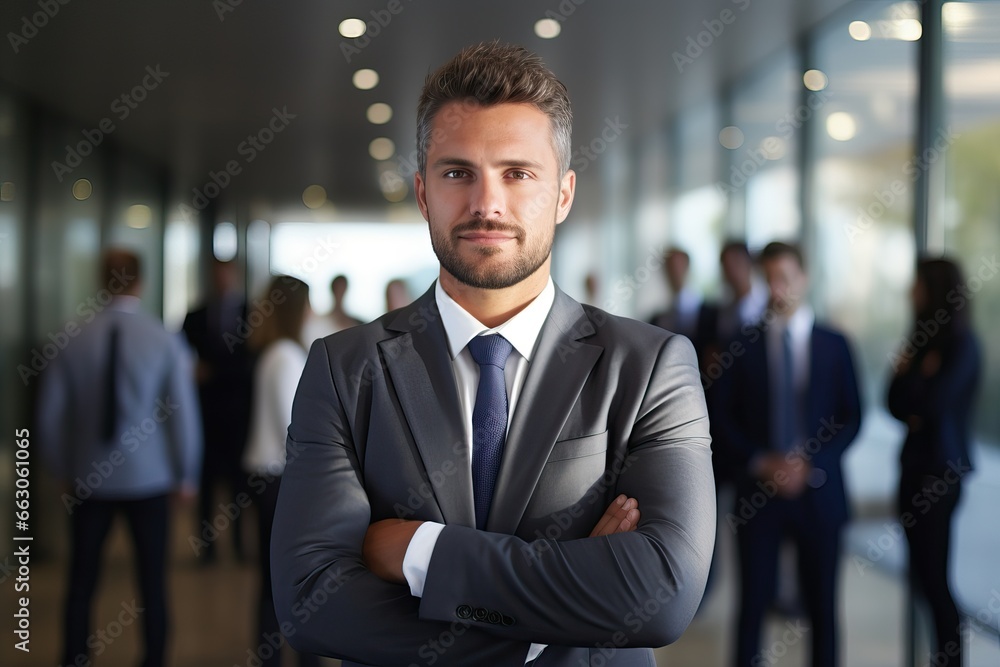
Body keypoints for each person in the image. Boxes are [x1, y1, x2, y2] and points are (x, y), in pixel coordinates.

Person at [271, 42, 715, 666]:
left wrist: (421, 552)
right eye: (458, 173)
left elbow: (662, 594)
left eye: (517, 172)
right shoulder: (345, 370)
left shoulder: (651, 367)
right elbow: (312, 603)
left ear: (563, 194)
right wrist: (556, 620)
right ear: (423, 193)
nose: (487, 204)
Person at [37, 248, 202, 667]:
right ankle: (153, 658)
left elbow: (49, 418)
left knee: (81, 579)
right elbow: (183, 415)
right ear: (140, 282)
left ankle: (74, 656)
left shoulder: (70, 336)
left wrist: (62, 470)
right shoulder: (164, 339)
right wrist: (187, 475)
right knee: (151, 582)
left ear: (100, 279)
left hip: (88, 481)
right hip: (150, 480)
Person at [715, 241, 862, 667]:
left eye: (786, 278)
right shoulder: (742, 344)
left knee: (822, 610)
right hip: (758, 495)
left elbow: (852, 416)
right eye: (770, 279)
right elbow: (721, 419)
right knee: (752, 606)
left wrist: (810, 464)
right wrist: (763, 462)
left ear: (804, 278)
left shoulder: (835, 344)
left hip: (819, 493)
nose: (778, 289)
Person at [888, 258, 980, 667]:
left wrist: (916, 381)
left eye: (918, 285)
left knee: (934, 580)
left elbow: (935, 405)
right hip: (912, 469)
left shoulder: (963, 344)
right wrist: (917, 379)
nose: (911, 292)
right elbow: (892, 401)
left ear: (936, 290)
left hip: (939, 475)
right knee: (922, 580)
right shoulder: (922, 341)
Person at [241, 275, 319, 667]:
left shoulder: (274, 352)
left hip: (269, 479)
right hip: (282, 482)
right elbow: (296, 432)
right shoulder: (286, 356)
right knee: (293, 584)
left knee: (274, 583)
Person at [182, 258, 255, 563]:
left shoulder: (252, 314)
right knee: (207, 481)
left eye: (227, 273)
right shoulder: (195, 316)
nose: (222, 279)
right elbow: (183, 359)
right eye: (217, 274)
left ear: (235, 276)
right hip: (205, 412)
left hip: (240, 413)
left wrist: (214, 372)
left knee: (239, 485)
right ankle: (207, 548)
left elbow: (252, 363)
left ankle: (239, 546)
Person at [650, 246, 714, 348]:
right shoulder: (658, 318)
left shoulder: (710, 314)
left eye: (678, 266)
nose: (675, 272)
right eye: (670, 267)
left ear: (688, 268)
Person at [303, 274, 364, 344]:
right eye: (338, 289)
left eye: (342, 288)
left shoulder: (355, 323)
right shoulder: (320, 322)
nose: (340, 292)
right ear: (333, 290)